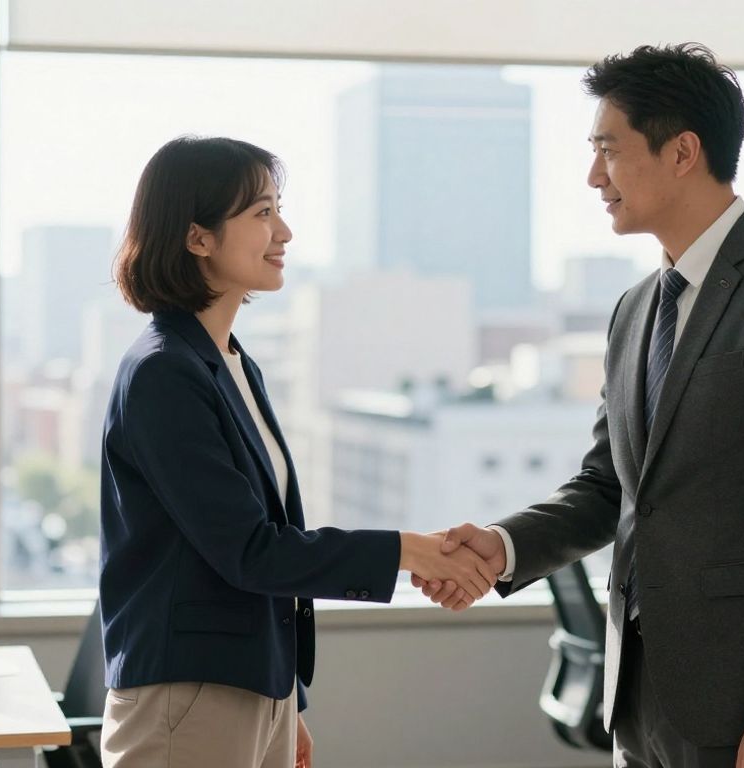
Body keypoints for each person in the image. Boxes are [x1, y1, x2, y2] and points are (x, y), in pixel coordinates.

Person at [415, 44, 744, 768]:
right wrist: (503, 546)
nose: (593, 176)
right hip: (638, 699)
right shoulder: (635, 309)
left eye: (609, 150)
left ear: (683, 151)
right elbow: (610, 489)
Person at [100, 135, 497, 768]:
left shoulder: (230, 363)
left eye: (278, 208)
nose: (283, 230)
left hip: (250, 689)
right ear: (197, 237)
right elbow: (249, 549)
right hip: (188, 698)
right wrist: (411, 550)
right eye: (261, 212)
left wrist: (288, 701)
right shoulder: (163, 372)